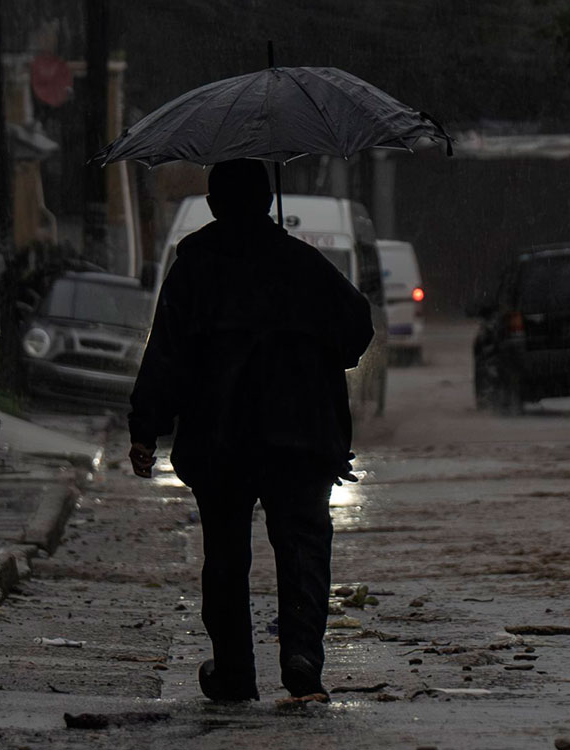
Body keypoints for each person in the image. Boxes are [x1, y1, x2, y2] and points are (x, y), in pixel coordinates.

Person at [127, 159, 373, 701]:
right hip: (299, 435)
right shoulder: (303, 265)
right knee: (303, 546)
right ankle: (302, 655)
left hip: (221, 436)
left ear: (214, 205)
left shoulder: (194, 267)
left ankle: (236, 671)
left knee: (225, 555)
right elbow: (357, 324)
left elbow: (165, 352)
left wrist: (145, 427)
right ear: (267, 202)